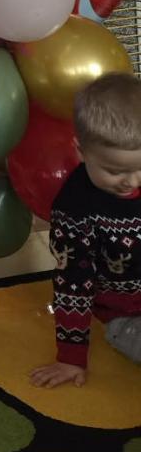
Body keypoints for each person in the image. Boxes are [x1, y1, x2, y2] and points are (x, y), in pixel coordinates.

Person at [30, 72, 141, 392]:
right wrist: (71, 358)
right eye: (115, 171)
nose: (131, 181)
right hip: (125, 316)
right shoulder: (76, 209)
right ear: (81, 151)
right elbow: (74, 284)